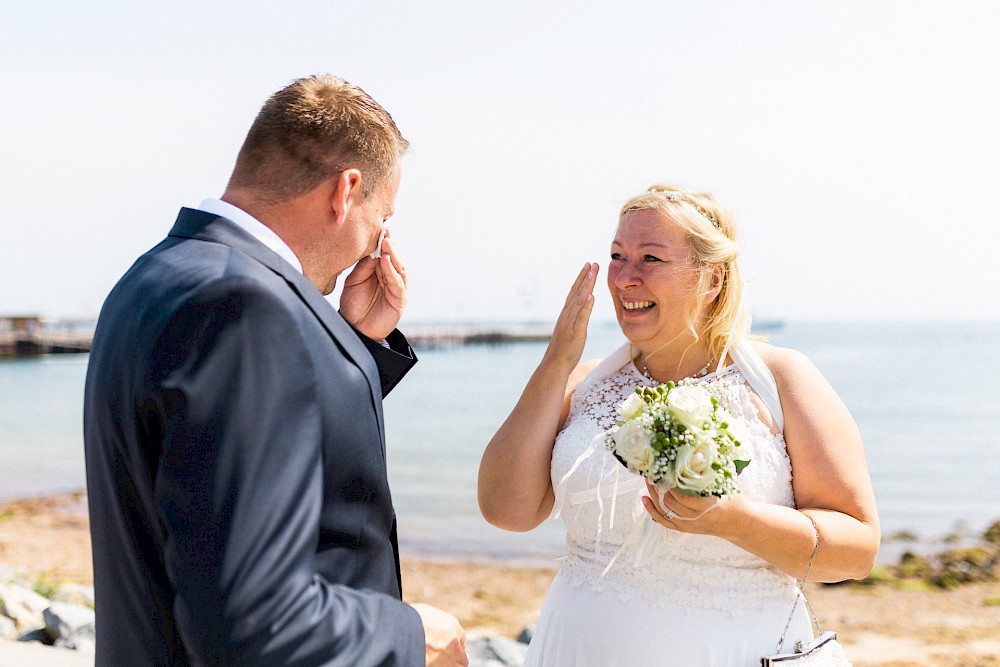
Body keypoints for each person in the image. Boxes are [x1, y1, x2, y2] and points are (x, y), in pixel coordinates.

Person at [84, 74, 468, 666]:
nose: (374, 247)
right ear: (346, 191)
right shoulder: (245, 309)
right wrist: (411, 634)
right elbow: (253, 622)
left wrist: (354, 343)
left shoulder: (155, 275)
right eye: (381, 219)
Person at [478, 184, 880, 665]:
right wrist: (556, 362)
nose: (624, 279)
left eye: (650, 258)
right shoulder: (581, 384)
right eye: (617, 256)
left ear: (711, 279)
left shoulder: (782, 380)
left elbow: (857, 549)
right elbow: (506, 511)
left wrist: (733, 520)